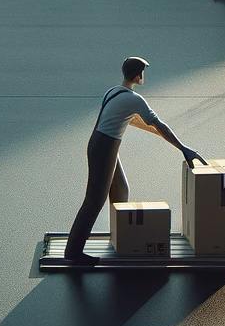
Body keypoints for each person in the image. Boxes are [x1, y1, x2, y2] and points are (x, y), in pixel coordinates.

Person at [64, 56, 205, 265]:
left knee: (121, 191)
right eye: (143, 72)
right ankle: (73, 251)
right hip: (105, 148)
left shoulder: (113, 91)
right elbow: (159, 125)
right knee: (94, 200)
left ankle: (121, 237)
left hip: (100, 144)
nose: (144, 76)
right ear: (138, 75)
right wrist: (183, 149)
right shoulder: (134, 99)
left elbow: (134, 121)